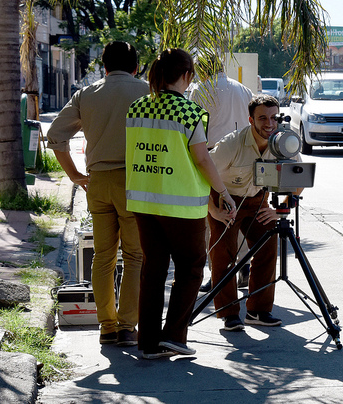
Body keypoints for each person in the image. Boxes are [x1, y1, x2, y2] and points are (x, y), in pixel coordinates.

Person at [125, 48, 236, 359]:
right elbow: (202, 158)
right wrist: (223, 193)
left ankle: (147, 343)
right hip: (181, 207)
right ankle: (174, 335)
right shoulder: (187, 112)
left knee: (153, 270)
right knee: (189, 268)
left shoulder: (136, 108)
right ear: (186, 76)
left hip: (144, 203)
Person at [47, 41, 148, 347]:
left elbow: (55, 136)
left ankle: (106, 326)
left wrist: (74, 175)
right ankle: (128, 327)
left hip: (98, 182)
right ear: (135, 67)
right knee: (134, 256)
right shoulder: (147, 91)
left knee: (103, 256)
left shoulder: (86, 93)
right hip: (136, 181)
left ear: (104, 67)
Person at [208, 94, 302, 331]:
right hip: (225, 200)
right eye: (262, 118)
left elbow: (300, 175)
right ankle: (229, 314)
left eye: (273, 117)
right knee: (223, 255)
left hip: (257, 200)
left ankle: (258, 311)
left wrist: (280, 211)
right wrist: (213, 211)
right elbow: (200, 175)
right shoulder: (232, 144)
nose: (269, 124)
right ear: (251, 120)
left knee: (267, 248)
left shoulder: (283, 141)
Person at [190, 54, 254, 291]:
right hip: (243, 156)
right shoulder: (244, 90)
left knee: (214, 217)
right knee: (240, 210)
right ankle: (244, 266)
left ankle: (217, 271)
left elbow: (195, 129)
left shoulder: (200, 91)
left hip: (214, 156)